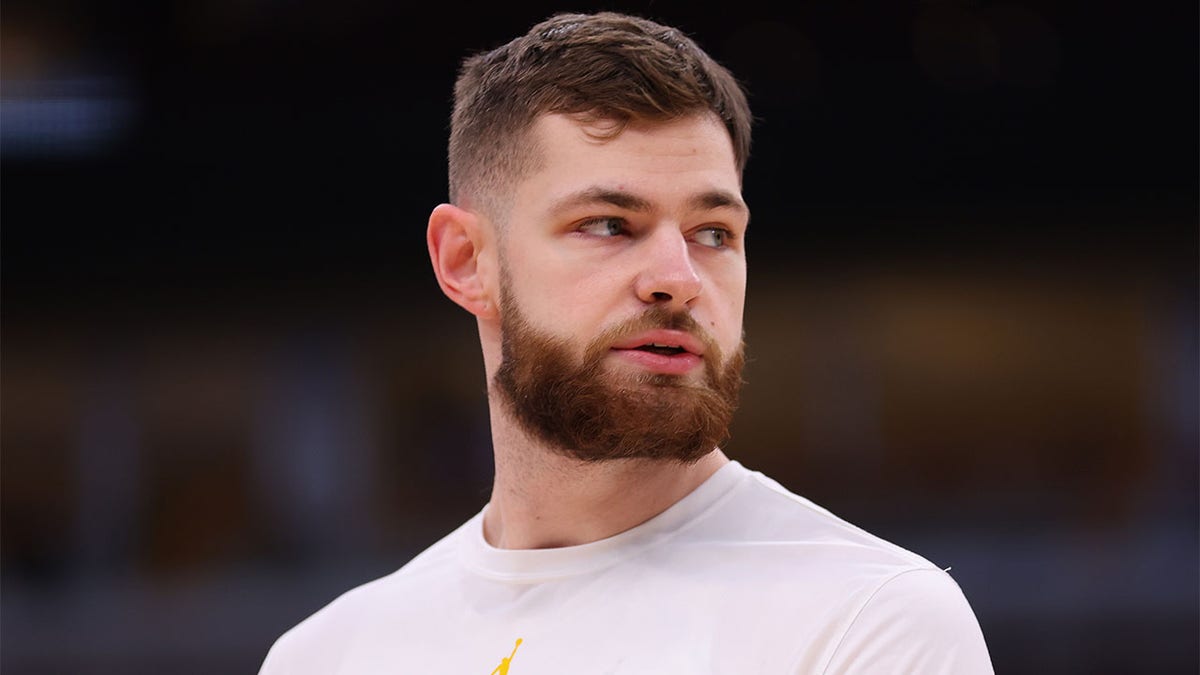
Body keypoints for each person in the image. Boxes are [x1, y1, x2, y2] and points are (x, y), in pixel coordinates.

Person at [258, 11, 994, 674]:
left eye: (713, 233)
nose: (678, 279)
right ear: (465, 261)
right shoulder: (327, 655)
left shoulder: (868, 620)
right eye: (610, 224)